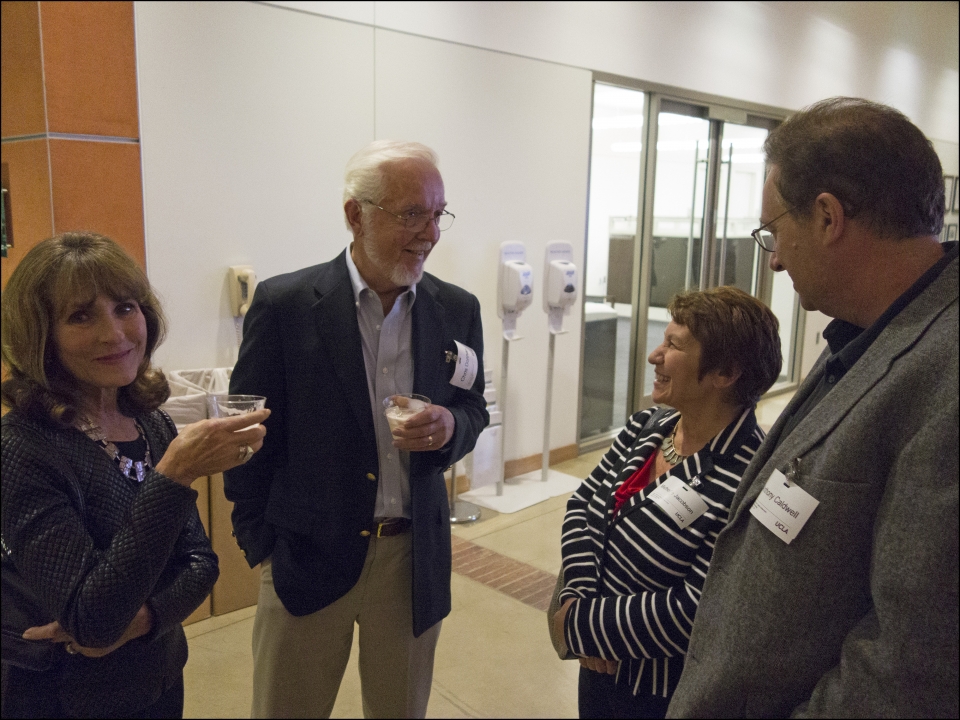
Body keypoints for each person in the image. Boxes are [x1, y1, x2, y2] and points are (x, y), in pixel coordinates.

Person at [668, 98, 959, 718]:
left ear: (827, 217)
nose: (773, 258)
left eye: (775, 232)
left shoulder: (945, 374)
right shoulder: (864, 334)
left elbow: (913, 667)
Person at [224, 140, 488, 719]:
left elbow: (474, 408)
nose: (430, 233)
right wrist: (260, 544)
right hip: (307, 553)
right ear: (354, 214)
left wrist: (451, 426)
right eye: (411, 214)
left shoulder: (457, 309)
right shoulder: (286, 304)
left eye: (438, 213)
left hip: (412, 559)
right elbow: (250, 432)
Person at [0, 232, 270, 718]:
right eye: (80, 316)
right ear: (39, 332)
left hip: (158, 677)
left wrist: (144, 618)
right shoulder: (23, 446)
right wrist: (175, 474)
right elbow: (94, 622)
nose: (115, 333)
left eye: (125, 307)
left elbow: (202, 564)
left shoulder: (149, 419)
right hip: (66, 699)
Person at [554, 286, 782, 719]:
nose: (654, 355)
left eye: (673, 344)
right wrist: (579, 595)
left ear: (726, 372)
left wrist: (580, 626)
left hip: (659, 695)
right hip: (597, 667)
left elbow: (694, 608)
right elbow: (583, 506)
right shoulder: (648, 426)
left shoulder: (749, 476)